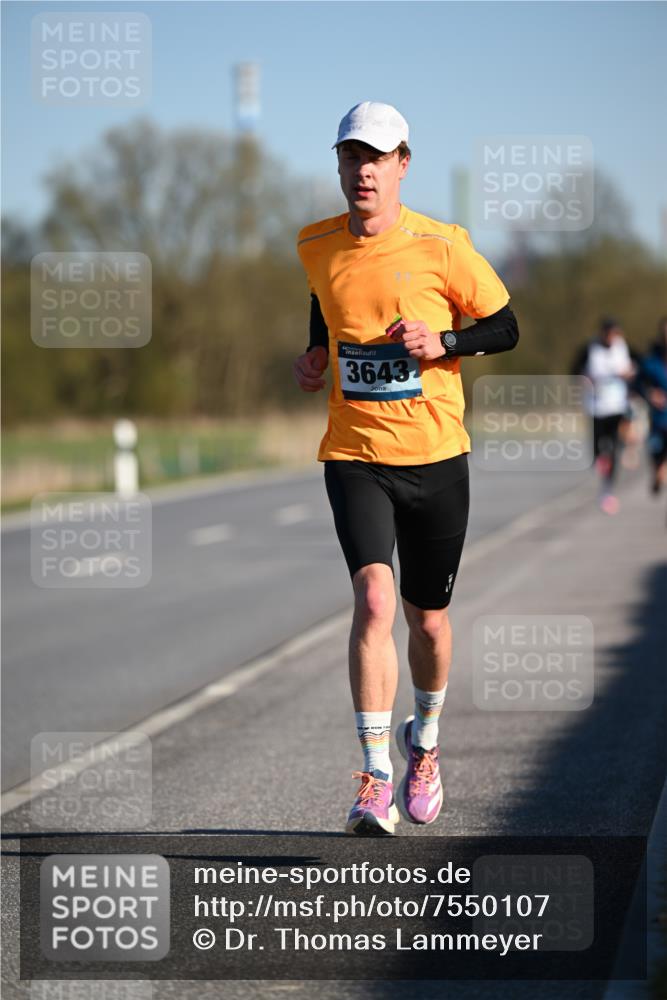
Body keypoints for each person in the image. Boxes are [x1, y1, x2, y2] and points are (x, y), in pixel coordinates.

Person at [293, 101, 519, 836]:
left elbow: (506, 326)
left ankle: (421, 742)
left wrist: (444, 339)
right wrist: (318, 352)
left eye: (377, 157)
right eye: (351, 156)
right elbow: (326, 301)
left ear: (401, 165)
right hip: (356, 454)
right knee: (373, 603)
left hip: (435, 457)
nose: (363, 170)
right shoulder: (315, 243)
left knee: (429, 622)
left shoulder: (442, 245)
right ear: (336, 163)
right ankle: (372, 778)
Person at [573, 317, 635, 514]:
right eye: (609, 334)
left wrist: (630, 374)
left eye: (615, 334)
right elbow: (574, 370)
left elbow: (639, 366)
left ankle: (608, 492)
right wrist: (584, 378)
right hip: (596, 406)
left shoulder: (623, 347)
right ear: (602, 333)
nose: (612, 338)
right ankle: (599, 461)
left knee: (615, 446)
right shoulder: (590, 349)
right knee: (597, 446)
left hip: (616, 405)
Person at [636, 317, 667, 495]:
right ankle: (658, 471)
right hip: (658, 419)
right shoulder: (651, 361)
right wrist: (650, 394)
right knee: (656, 456)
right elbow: (638, 384)